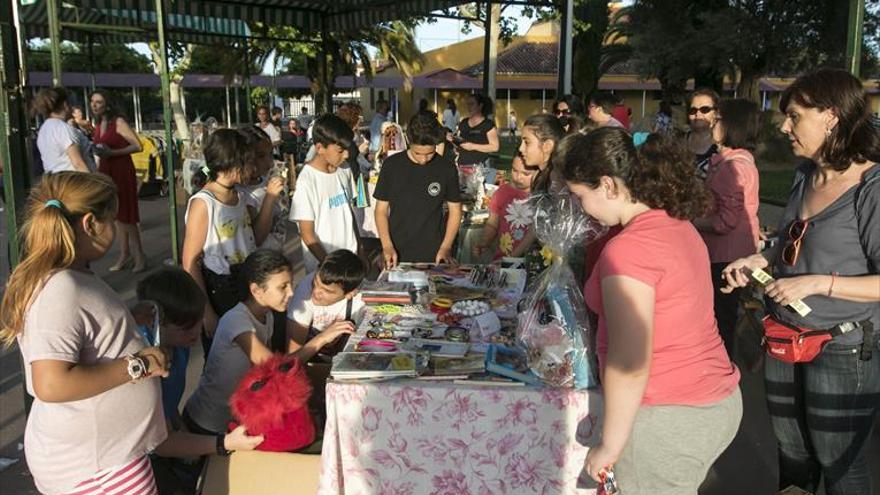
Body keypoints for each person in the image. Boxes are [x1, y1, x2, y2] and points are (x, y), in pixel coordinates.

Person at [721, 68, 880, 495]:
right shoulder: (805, 174)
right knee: (792, 452)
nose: (784, 125)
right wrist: (761, 257)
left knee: (839, 460)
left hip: (843, 345)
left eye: (794, 115)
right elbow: (790, 241)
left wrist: (816, 283)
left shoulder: (872, 187)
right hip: (783, 336)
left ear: (830, 116)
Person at [561, 129, 741, 494]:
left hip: (669, 413)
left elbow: (630, 362)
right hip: (712, 397)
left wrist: (610, 444)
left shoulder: (628, 250)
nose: (582, 207)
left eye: (581, 196)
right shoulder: (676, 224)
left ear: (609, 185)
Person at [183, 249, 353, 435]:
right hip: (209, 424)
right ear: (256, 290)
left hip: (238, 421)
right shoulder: (237, 321)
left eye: (290, 285)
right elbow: (276, 367)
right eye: (283, 287)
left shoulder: (268, 317)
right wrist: (321, 339)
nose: (291, 293)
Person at [692, 98, 761, 356]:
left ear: (734, 125)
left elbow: (725, 221)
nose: (712, 123)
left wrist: (692, 221)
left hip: (726, 259)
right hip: (727, 255)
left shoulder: (734, 167)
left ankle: (722, 370)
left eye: (718, 119)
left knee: (721, 323)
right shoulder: (730, 162)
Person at [183, 128, 257, 357]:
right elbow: (189, 262)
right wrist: (207, 313)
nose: (253, 168)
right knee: (225, 361)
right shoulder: (204, 204)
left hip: (248, 284)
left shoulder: (240, 196)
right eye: (249, 162)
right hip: (221, 291)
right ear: (233, 164)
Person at [374, 113, 462, 267]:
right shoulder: (392, 166)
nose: (423, 159)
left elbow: (455, 210)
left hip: (434, 252)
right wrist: (387, 246)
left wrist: (446, 247)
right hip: (397, 251)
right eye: (418, 153)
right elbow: (381, 210)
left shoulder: (446, 169)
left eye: (429, 153)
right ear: (408, 141)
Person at [290, 114, 359, 273]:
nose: (346, 155)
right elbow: (307, 234)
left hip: (351, 260)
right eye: (340, 151)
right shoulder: (307, 180)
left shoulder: (344, 169)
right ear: (320, 148)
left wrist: (360, 249)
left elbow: (349, 213)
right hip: (324, 268)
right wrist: (330, 265)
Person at [90, 89, 148, 273]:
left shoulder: (118, 122)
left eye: (98, 102)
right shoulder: (99, 124)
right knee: (116, 215)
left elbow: (138, 145)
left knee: (126, 215)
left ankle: (139, 256)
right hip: (107, 169)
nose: (94, 105)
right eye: (92, 101)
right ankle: (125, 254)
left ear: (107, 104)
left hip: (121, 169)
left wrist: (112, 153)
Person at [286, 249, 365, 353]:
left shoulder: (362, 299)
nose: (315, 292)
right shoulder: (305, 289)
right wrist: (323, 338)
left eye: (327, 291)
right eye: (315, 283)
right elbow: (291, 360)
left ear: (350, 293)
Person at [472, 153, 535, 260]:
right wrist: (484, 242)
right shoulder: (502, 192)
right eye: (515, 171)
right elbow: (492, 224)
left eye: (526, 173)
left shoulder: (539, 197)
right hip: (502, 259)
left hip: (530, 260)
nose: (519, 177)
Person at [238, 126, 287, 251]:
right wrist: (270, 197)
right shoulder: (242, 193)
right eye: (261, 156)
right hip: (258, 264)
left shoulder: (264, 181)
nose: (270, 163)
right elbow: (257, 238)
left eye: (270, 154)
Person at [34, 87, 92, 174]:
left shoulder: (44, 129)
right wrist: (92, 184)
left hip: (54, 181)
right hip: (73, 182)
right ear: (65, 105)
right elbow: (78, 163)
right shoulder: (63, 129)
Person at [455, 93, 499, 167]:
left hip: (480, 167)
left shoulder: (488, 124)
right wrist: (453, 140)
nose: (469, 107)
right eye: (468, 104)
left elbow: (495, 147)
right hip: (462, 165)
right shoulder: (463, 122)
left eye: (472, 104)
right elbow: (458, 141)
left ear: (480, 106)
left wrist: (472, 146)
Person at [686, 88, 721, 180]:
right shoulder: (677, 143)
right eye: (693, 110)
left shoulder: (723, 149)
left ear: (716, 113)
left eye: (705, 109)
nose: (698, 114)